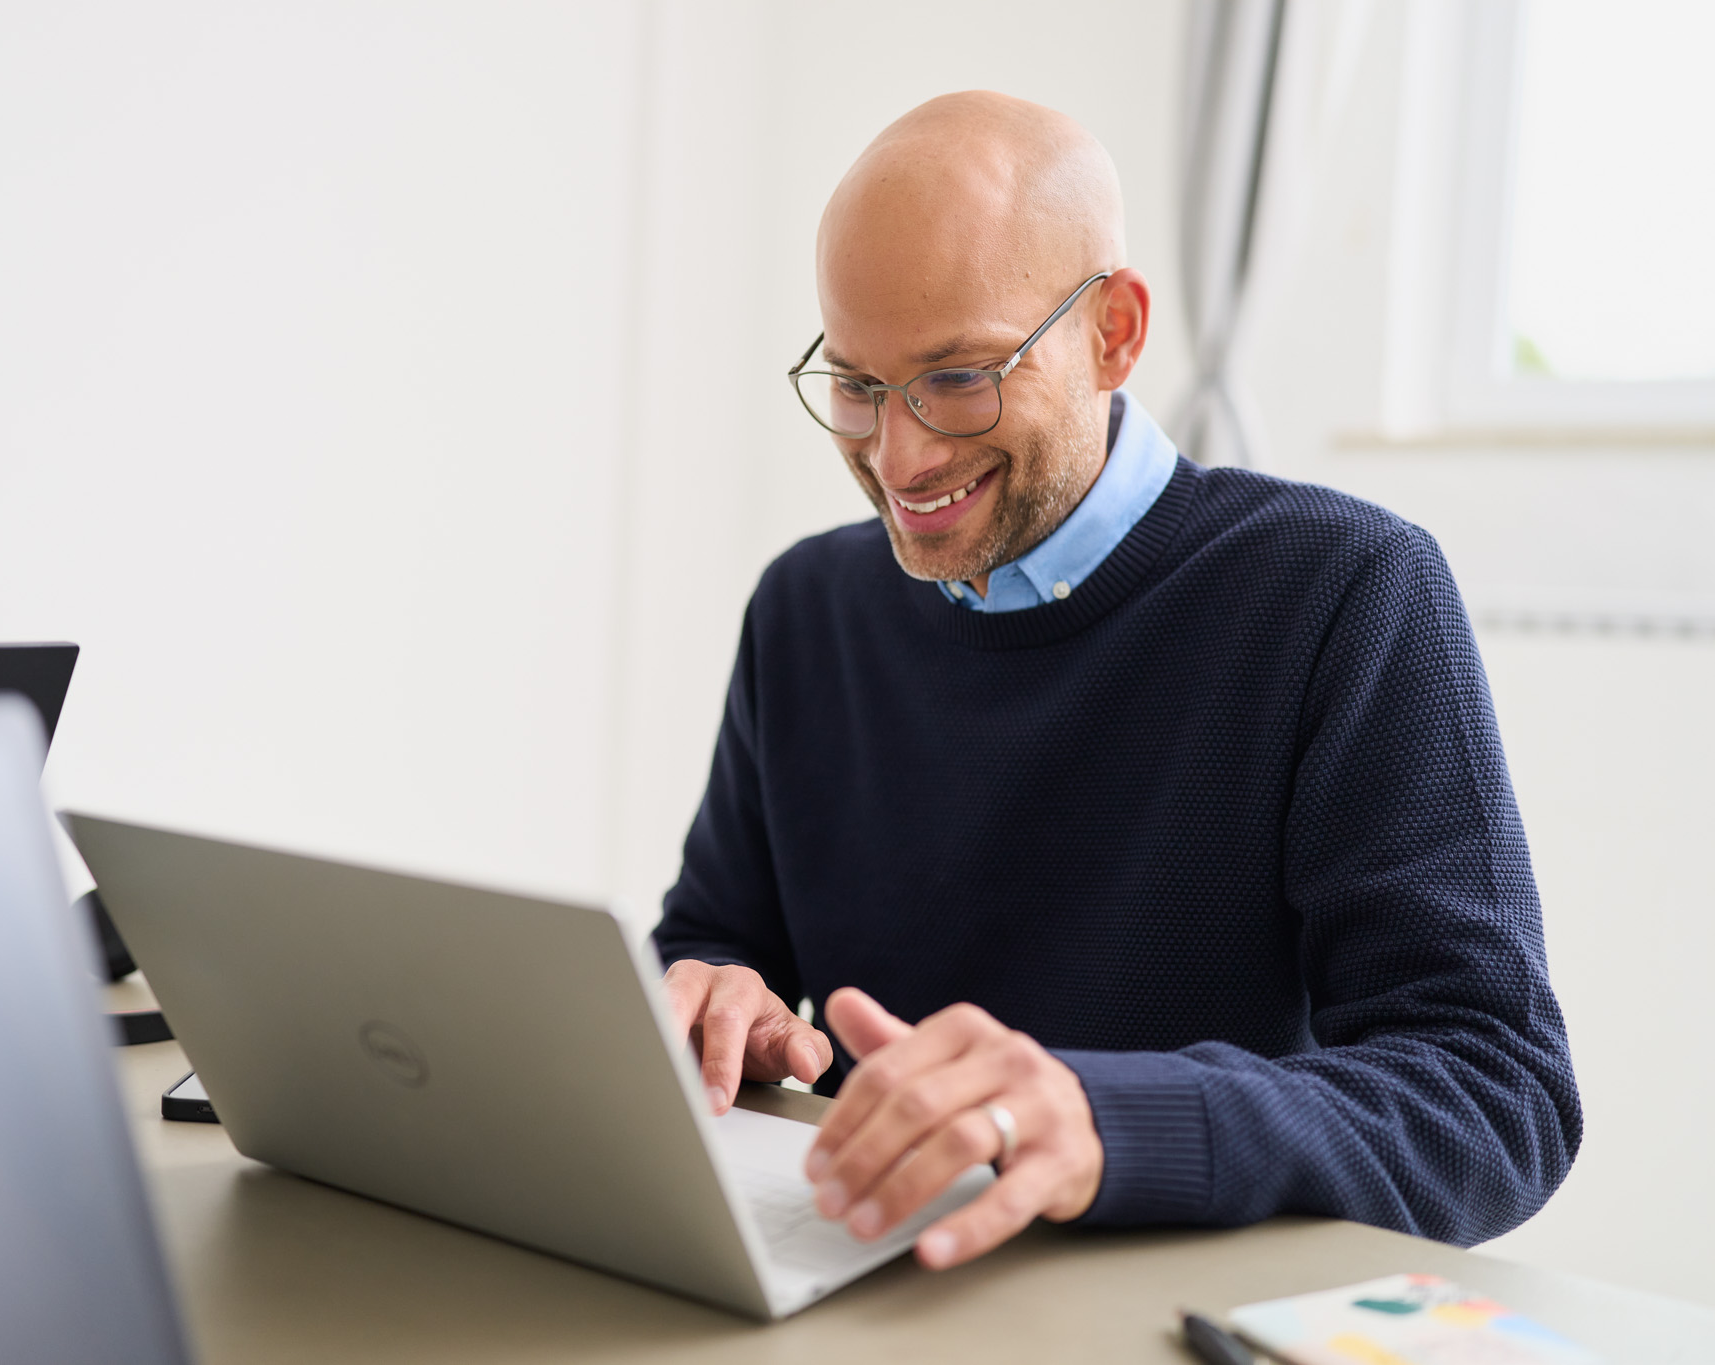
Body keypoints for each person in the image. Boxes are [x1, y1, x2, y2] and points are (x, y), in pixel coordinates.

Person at [652, 91, 1579, 1273]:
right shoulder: (805, 609)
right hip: (853, 1282)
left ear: (1114, 333)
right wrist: (713, 997)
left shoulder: (1342, 589)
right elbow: (715, 938)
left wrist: (1105, 1120)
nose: (898, 457)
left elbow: (1493, 1096)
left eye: (957, 378)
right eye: (856, 384)